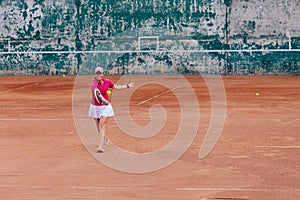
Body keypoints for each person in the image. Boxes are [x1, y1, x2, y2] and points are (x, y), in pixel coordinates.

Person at [88, 67, 134, 153]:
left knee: (101, 124)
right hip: (95, 106)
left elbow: (116, 87)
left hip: (105, 107)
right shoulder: (93, 84)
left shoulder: (107, 82)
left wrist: (127, 86)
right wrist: (104, 100)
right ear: (95, 74)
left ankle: (101, 146)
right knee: (98, 126)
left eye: (100, 73)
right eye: (97, 73)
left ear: (102, 74)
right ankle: (105, 138)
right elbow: (98, 95)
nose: (98, 75)